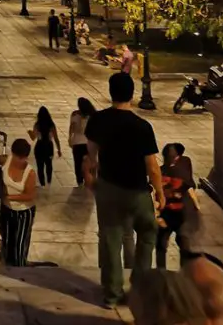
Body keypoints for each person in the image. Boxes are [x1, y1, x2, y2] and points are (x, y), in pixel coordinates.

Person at [85, 72, 164, 307]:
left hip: (109, 188)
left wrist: (93, 173)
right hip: (137, 191)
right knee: (148, 233)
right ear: (133, 93)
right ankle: (139, 286)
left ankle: (112, 294)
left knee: (111, 239)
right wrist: (159, 192)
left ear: (111, 92)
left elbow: (91, 154)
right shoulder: (142, 126)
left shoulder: (98, 120)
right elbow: (152, 167)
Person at [156, 143, 200, 269]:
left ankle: (179, 274)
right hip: (170, 213)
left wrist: (196, 204)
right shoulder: (162, 171)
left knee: (180, 244)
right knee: (164, 245)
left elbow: (189, 188)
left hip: (179, 214)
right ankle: (167, 274)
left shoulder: (182, 166)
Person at [0, 138, 37, 267]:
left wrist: (9, 197)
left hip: (24, 212)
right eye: (17, 157)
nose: (20, 161)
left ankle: (21, 269)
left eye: (23, 158)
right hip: (6, 209)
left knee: (20, 244)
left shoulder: (30, 173)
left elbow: (30, 195)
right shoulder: (6, 160)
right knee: (7, 241)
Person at [28, 106, 62, 187]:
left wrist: (30, 133)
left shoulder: (37, 125)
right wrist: (59, 149)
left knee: (40, 166)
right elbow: (56, 138)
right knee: (49, 164)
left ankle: (42, 183)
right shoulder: (51, 125)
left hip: (39, 146)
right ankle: (49, 181)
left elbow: (33, 138)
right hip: (49, 146)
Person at [69, 97, 96, 186]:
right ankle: (90, 180)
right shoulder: (93, 115)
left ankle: (79, 181)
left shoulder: (75, 114)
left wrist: (70, 138)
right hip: (89, 143)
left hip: (77, 142)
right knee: (90, 164)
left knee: (78, 163)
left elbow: (72, 128)